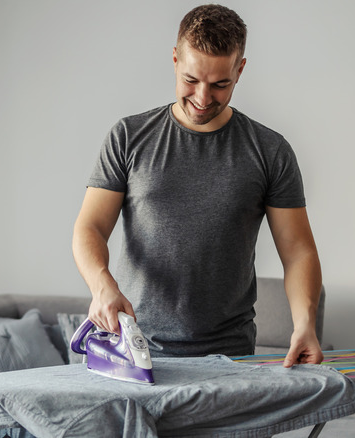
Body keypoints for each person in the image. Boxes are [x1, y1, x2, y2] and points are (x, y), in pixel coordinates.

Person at [71, 4, 323, 368]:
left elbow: (298, 251)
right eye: (191, 80)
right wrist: (100, 285)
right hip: (133, 352)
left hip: (229, 358)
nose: (203, 99)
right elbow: (89, 227)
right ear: (175, 59)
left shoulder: (270, 151)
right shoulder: (128, 137)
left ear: (240, 69)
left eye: (220, 84)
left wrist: (305, 324)